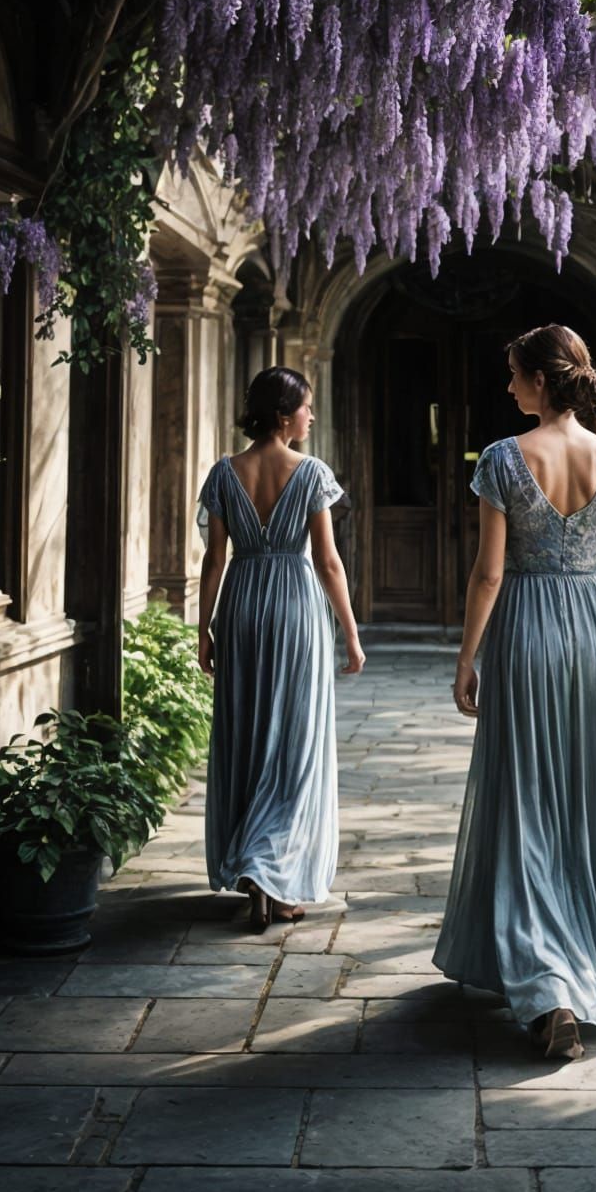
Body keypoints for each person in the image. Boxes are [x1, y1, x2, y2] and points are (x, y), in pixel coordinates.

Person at [433, 321, 596, 1059]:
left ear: (541, 380)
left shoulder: (506, 460)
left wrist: (466, 658)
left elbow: (488, 575)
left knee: (530, 804)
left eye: (514, 375)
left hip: (529, 634)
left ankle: (549, 985)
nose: (508, 388)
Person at [197, 366, 365, 929]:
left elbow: (213, 560)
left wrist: (204, 628)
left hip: (241, 605)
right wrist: (351, 631)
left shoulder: (226, 472)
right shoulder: (311, 472)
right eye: (306, 408)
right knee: (294, 741)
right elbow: (328, 562)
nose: (312, 417)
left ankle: (257, 876)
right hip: (295, 608)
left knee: (247, 733)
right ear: (283, 414)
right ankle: (274, 871)